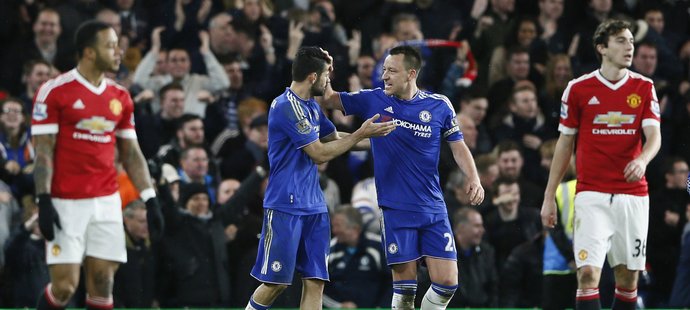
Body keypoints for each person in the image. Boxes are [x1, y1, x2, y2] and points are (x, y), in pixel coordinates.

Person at [322, 45, 484, 309]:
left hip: (433, 207)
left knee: (447, 284)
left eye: (391, 71)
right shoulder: (373, 99)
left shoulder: (439, 105)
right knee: (405, 290)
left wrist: (474, 179)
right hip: (396, 208)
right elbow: (330, 99)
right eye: (384, 70)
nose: (384, 76)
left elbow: (458, 146)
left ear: (411, 74)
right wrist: (326, 70)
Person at [244, 46, 395, 310]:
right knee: (276, 283)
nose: (329, 81)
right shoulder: (285, 106)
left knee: (315, 280)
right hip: (284, 205)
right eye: (326, 75)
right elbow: (319, 153)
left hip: (314, 205)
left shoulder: (311, 106)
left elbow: (333, 137)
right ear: (313, 77)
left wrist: (379, 140)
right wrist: (360, 134)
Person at [31, 20, 164, 310]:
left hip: (106, 201)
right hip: (66, 201)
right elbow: (43, 152)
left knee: (103, 283)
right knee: (65, 286)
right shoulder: (54, 91)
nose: (119, 52)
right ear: (89, 53)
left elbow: (131, 153)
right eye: (111, 45)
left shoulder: (120, 97)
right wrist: (43, 198)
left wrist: (150, 198)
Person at [541, 19, 661, 310]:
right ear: (602, 48)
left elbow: (654, 136)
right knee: (587, 274)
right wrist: (549, 197)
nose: (629, 47)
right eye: (621, 40)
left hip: (632, 195)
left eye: (631, 41)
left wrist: (642, 159)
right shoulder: (578, 88)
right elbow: (564, 144)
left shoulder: (644, 87)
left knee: (628, 279)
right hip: (591, 194)